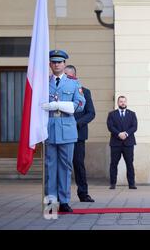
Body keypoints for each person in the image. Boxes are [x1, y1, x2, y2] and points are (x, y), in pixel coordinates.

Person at [41, 50, 86, 213]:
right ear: (50, 64)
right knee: (50, 167)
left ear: (64, 64)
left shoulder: (74, 83)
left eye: (59, 62)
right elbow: (37, 105)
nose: (57, 64)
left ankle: (65, 201)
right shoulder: (44, 83)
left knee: (65, 167)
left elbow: (81, 104)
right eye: (54, 62)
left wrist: (60, 105)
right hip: (50, 129)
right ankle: (51, 202)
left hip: (67, 129)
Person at [64, 65, 96, 203]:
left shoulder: (85, 92)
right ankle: (62, 196)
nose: (67, 78)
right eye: (65, 76)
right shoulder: (58, 92)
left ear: (75, 76)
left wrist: (77, 124)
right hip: (62, 133)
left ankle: (83, 194)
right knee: (63, 165)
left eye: (70, 76)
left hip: (78, 134)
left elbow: (91, 113)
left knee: (78, 164)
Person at [106, 96, 138, 190]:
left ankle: (131, 184)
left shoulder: (132, 114)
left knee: (129, 164)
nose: (123, 103)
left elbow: (134, 126)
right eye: (121, 101)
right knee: (113, 164)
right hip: (115, 143)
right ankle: (112, 184)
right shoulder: (112, 114)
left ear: (126, 102)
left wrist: (126, 134)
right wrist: (118, 134)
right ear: (118, 102)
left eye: (124, 101)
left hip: (128, 143)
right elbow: (110, 126)